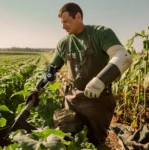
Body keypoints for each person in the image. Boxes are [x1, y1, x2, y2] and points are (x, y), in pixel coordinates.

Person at [26, 2, 133, 149]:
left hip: (98, 100)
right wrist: (37, 90)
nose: (63, 26)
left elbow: (123, 57)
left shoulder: (101, 33)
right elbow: (51, 71)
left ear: (78, 16)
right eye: (61, 23)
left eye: (66, 21)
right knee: (66, 139)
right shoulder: (64, 43)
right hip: (73, 99)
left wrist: (99, 81)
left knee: (94, 142)